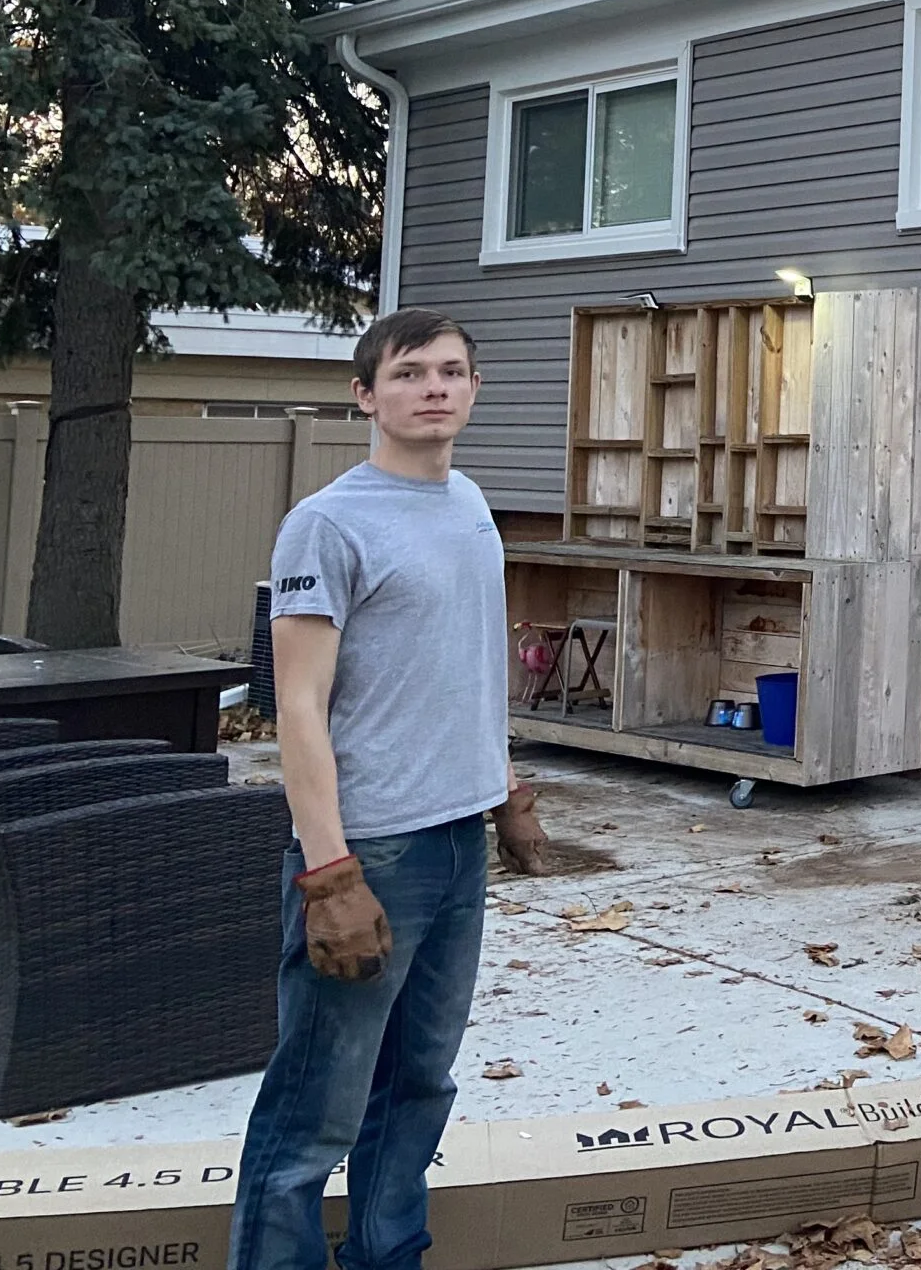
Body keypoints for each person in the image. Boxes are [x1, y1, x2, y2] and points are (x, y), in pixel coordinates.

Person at [229, 307, 548, 1270]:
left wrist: (502, 788)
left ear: (475, 390)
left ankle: (388, 1256)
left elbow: (462, 665)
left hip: (456, 844)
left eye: (452, 371)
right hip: (371, 854)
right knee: (315, 1107)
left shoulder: (470, 504)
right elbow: (298, 708)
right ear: (365, 394)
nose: (435, 388)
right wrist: (328, 874)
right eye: (409, 373)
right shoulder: (328, 524)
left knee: (418, 1085)